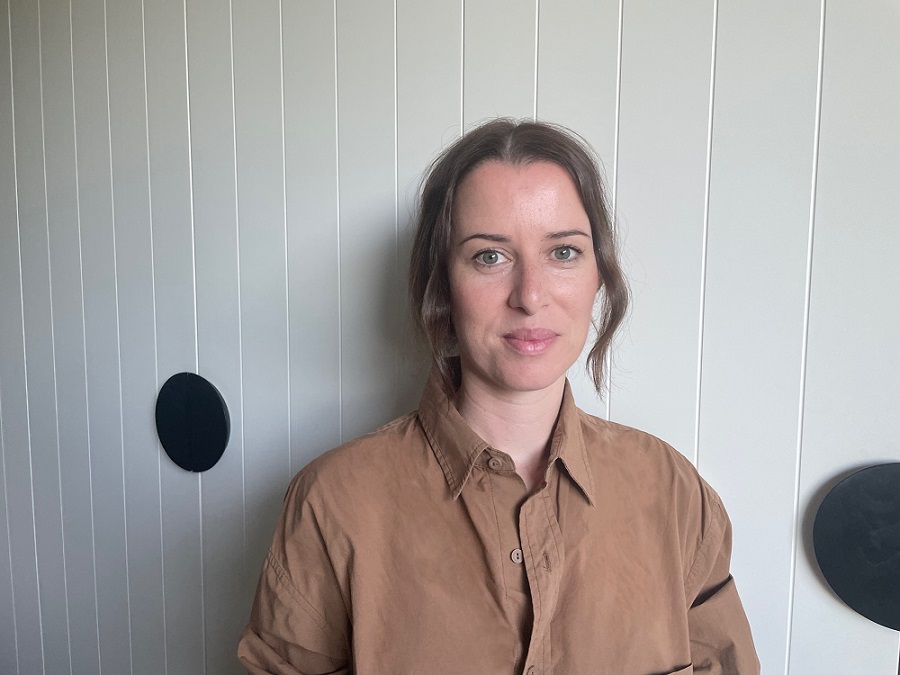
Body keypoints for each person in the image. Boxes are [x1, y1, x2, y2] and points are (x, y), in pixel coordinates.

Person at [238, 119, 760, 674]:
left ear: (598, 277)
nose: (530, 296)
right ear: (441, 286)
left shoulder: (674, 494)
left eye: (563, 252)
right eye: (490, 256)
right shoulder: (334, 503)